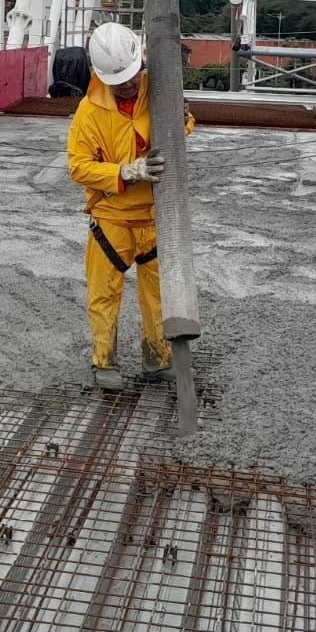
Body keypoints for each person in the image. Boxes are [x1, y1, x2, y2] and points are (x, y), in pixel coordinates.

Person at [66, 22, 193, 391]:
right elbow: (78, 166)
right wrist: (125, 171)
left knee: (158, 297)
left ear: (141, 63)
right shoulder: (89, 112)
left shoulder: (158, 91)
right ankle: (104, 361)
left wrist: (183, 121)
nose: (128, 84)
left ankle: (158, 359)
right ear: (101, 76)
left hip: (156, 217)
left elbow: (176, 130)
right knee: (104, 295)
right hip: (112, 218)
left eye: (132, 76)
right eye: (118, 79)